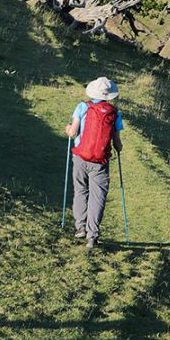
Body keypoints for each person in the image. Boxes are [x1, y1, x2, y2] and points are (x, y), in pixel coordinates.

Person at [65, 76, 123, 249]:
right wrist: (118, 149)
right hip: (100, 162)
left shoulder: (83, 106)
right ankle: (92, 236)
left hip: (80, 157)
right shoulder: (114, 112)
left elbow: (73, 133)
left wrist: (68, 129)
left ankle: (80, 227)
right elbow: (117, 143)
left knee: (81, 190)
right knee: (97, 197)